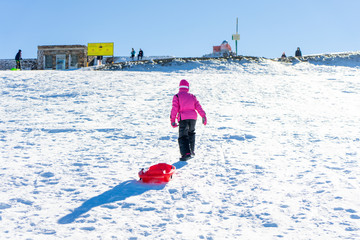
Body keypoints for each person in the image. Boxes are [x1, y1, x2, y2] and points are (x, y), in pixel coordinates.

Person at [170, 79, 207, 161]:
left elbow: (174, 109)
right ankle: (191, 151)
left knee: (183, 136)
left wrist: (172, 120)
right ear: (188, 87)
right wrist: (203, 116)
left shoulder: (177, 96)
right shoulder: (192, 96)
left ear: (179, 87)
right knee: (191, 133)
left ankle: (186, 153)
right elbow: (198, 107)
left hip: (183, 118)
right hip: (193, 118)